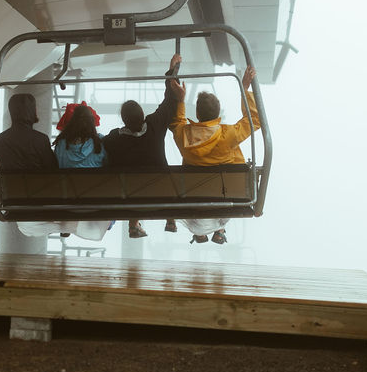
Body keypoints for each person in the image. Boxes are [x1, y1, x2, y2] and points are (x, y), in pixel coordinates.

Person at [168, 66, 261, 244]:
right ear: (218, 114)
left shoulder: (183, 135)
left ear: (197, 114)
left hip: (194, 197)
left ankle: (205, 232)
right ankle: (219, 229)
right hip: (225, 197)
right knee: (232, 165)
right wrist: (245, 89)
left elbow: (177, 122)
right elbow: (255, 121)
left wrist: (180, 100)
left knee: (205, 189)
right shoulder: (228, 135)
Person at [103, 54, 181, 238]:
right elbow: (170, 101)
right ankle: (170, 217)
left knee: (134, 185)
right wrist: (172, 71)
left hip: (131, 197)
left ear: (124, 120)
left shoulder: (115, 138)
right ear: (142, 114)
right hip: (162, 191)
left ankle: (134, 223)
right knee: (161, 180)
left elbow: (100, 147)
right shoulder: (155, 124)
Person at [18, 102, 112, 242]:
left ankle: (70, 225)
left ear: (73, 123)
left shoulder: (61, 145)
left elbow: (58, 168)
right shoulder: (100, 143)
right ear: (92, 123)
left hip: (68, 203)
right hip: (94, 204)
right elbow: (108, 167)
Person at [0, 93, 58, 171]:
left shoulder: (0, 140)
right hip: (38, 183)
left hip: (9, 183)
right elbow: (52, 169)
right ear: (32, 111)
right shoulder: (41, 139)